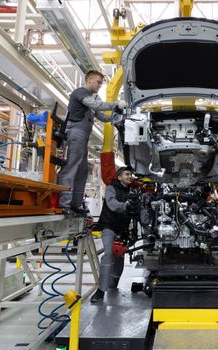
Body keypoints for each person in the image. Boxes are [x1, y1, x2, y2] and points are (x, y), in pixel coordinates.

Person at [57, 70, 127, 214]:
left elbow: (102, 117)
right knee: (72, 168)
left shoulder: (90, 98)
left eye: (101, 83)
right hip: (76, 132)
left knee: (82, 171)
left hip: (83, 137)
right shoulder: (80, 93)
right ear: (89, 80)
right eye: (98, 82)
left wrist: (117, 115)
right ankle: (64, 204)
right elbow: (96, 106)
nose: (100, 85)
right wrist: (115, 105)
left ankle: (75, 204)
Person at [90, 166, 135, 303]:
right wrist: (125, 205)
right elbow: (112, 204)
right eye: (127, 174)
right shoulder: (111, 188)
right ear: (119, 177)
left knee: (119, 256)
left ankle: (113, 284)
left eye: (131, 174)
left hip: (122, 229)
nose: (130, 176)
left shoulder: (132, 192)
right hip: (109, 226)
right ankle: (101, 290)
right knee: (109, 254)